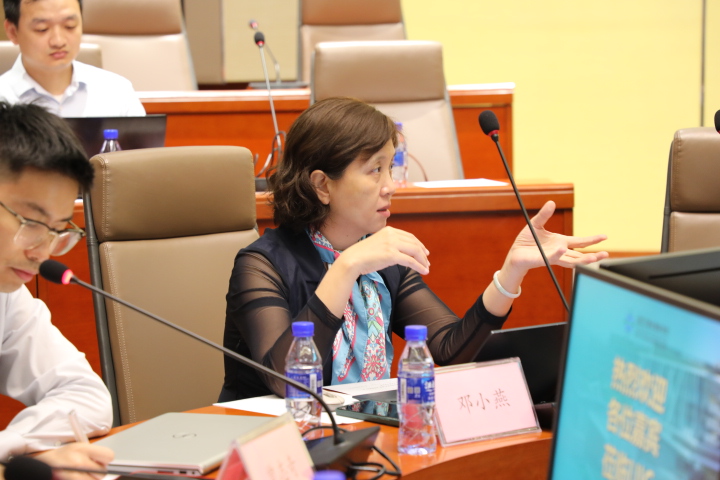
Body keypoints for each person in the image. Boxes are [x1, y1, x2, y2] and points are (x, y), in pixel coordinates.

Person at [219, 97, 609, 401]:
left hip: (356, 438)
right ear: (322, 185)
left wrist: (511, 273)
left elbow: (450, 350)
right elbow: (285, 380)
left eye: (390, 167)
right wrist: (346, 268)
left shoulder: (379, 259)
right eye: (375, 170)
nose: (390, 186)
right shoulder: (262, 265)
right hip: (267, 450)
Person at [0, 101, 113, 478]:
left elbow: (86, 398)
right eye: (31, 222)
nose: (42, 252)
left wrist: (15, 454)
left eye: (58, 230)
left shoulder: (7, 297)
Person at [0, 0, 146, 117]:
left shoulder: (116, 90)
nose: (58, 41)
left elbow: (141, 147)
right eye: (42, 29)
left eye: (69, 26)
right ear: (12, 32)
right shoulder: (4, 95)